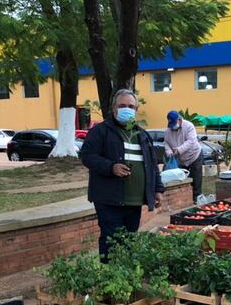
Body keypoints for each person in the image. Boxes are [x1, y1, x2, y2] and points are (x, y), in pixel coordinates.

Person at [80, 89, 164, 258]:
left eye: (131, 106)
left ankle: (125, 278)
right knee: (111, 241)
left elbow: (152, 165)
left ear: (136, 109)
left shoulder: (142, 134)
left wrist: (157, 189)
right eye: (123, 105)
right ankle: (110, 277)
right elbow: (86, 156)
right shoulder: (101, 131)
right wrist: (111, 167)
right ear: (114, 108)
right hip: (109, 199)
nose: (127, 109)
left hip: (134, 201)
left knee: (129, 241)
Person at [164, 110, 202, 202]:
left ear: (179, 119)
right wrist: (169, 151)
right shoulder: (168, 130)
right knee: (180, 178)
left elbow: (191, 141)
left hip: (194, 156)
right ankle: (183, 199)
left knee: (196, 179)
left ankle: (196, 198)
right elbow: (166, 143)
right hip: (180, 159)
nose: (173, 126)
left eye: (174, 123)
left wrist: (179, 150)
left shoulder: (189, 126)